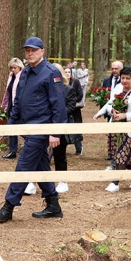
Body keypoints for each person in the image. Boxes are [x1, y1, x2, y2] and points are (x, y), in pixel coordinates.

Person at [0, 37, 66, 222]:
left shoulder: (51, 73)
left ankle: (8, 206)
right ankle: (53, 204)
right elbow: (18, 101)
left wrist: (55, 132)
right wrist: (11, 125)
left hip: (41, 128)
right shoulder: (25, 73)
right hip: (27, 127)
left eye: (34, 50)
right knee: (40, 166)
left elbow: (59, 105)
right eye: (27, 50)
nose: (30, 53)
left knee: (23, 166)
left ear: (42, 51)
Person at [93, 66, 131, 192]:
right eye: (122, 78)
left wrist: (125, 115)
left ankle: (115, 183)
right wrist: (110, 110)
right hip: (117, 127)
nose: (124, 81)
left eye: (128, 79)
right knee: (126, 157)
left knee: (122, 154)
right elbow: (110, 103)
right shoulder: (118, 88)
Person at [51, 64, 79, 193]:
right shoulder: (44, 88)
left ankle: (62, 181)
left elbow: (71, 107)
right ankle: (34, 182)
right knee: (39, 155)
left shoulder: (68, 89)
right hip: (44, 125)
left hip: (61, 125)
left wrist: (57, 114)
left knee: (59, 155)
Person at [0, 57, 24, 159]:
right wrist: (5, 106)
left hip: (19, 105)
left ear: (19, 67)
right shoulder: (11, 76)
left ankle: (34, 142)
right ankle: (12, 151)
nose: (13, 70)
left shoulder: (22, 76)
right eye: (11, 68)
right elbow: (8, 92)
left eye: (14, 68)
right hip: (11, 104)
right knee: (11, 127)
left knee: (19, 127)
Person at [103, 61, 124, 162]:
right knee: (110, 132)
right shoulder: (107, 80)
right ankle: (111, 153)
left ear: (121, 69)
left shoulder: (123, 81)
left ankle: (119, 152)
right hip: (109, 109)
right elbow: (105, 95)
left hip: (121, 110)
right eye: (112, 69)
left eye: (116, 68)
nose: (114, 70)